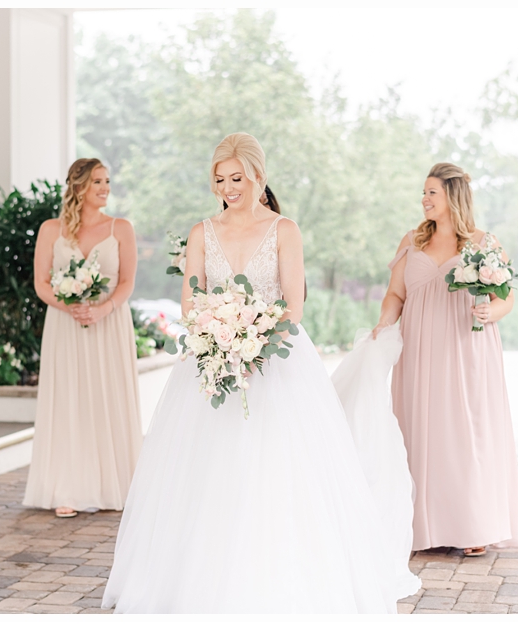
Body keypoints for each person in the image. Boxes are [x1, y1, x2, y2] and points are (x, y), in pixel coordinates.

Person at [101, 133, 419, 613]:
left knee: (279, 471)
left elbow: (294, 305)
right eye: (220, 180)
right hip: (212, 363)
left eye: (237, 178)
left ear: (258, 176)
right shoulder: (201, 233)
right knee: (206, 474)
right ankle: (200, 583)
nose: (228, 188)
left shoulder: (284, 230)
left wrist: (254, 338)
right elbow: (192, 301)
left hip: (278, 365)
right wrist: (219, 335)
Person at [373, 162, 518, 557]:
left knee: (464, 433)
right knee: (420, 430)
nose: (423, 200)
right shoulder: (411, 240)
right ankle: (422, 527)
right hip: (419, 350)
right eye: (423, 193)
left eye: (431, 193)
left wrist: (491, 313)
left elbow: (506, 298)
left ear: (452, 197)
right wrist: (384, 324)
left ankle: (473, 525)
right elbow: (396, 295)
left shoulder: (483, 243)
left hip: (466, 350)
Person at [23, 158, 143, 518]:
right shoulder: (50, 230)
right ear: (78, 187)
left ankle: (118, 485)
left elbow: (127, 283)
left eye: (107, 181)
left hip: (109, 325)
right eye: (97, 182)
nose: (105, 188)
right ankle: (67, 488)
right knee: (69, 402)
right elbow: (41, 283)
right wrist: (69, 304)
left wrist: (102, 309)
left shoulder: (121, 228)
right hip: (65, 326)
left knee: (106, 397)